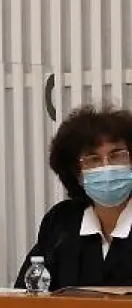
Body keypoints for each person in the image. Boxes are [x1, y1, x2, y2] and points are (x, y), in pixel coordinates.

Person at [17, 104, 132, 289]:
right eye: (93, 159)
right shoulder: (61, 222)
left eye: (117, 155)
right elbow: (27, 295)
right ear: (77, 174)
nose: (106, 167)